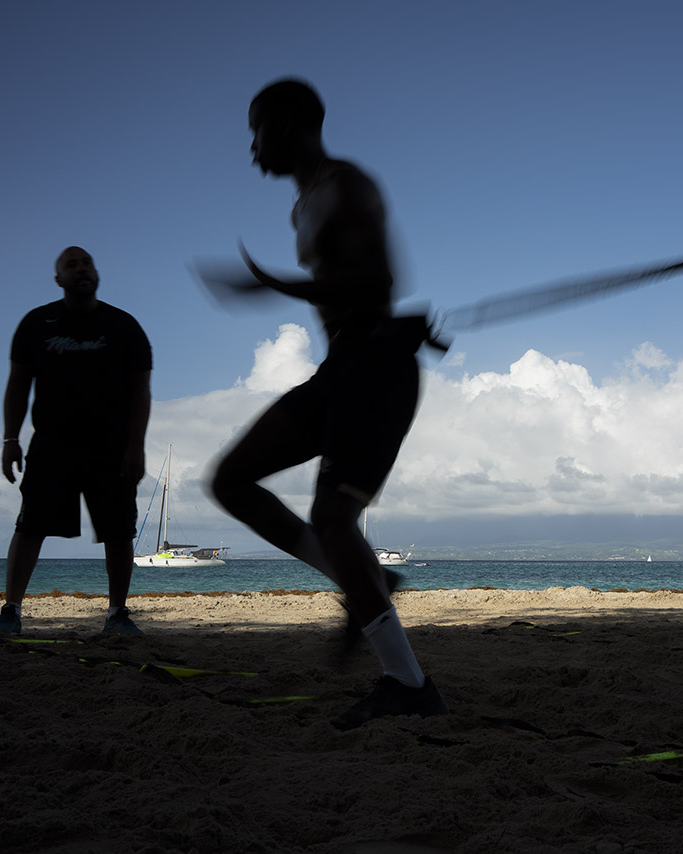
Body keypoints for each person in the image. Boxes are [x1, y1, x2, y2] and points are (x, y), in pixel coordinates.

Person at [201, 78, 447, 728]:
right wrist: (284, 288)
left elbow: (379, 281)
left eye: (258, 129)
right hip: (344, 370)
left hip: (377, 371)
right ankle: (363, 580)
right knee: (230, 480)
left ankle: (409, 684)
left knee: (334, 519)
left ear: (291, 123)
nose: (252, 148)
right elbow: (348, 288)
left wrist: (277, 285)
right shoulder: (301, 206)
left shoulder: (346, 184)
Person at [0, 246, 152, 637]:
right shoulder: (36, 324)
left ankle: (117, 614)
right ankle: (10, 610)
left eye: (87, 263)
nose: (81, 269)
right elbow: (17, 386)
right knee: (30, 526)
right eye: (71, 265)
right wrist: (11, 439)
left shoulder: (124, 326)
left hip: (111, 445)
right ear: (59, 279)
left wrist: (136, 447)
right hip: (52, 444)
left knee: (118, 530)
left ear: (97, 274)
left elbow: (141, 392)